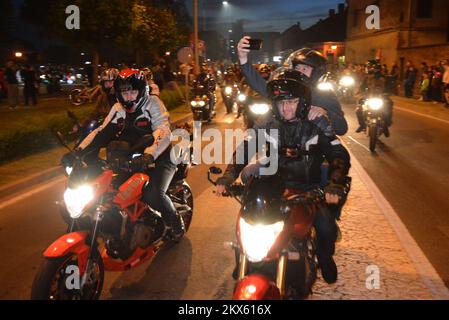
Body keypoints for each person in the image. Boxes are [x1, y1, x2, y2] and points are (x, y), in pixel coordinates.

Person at [215, 69, 351, 284]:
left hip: (309, 187)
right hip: (274, 185)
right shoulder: (267, 121)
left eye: (292, 102)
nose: (286, 108)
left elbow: (338, 153)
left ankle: (325, 257)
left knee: (326, 227)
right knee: (248, 217)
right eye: (281, 103)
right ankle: (245, 258)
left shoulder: (316, 121)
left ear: (302, 101)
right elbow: (246, 149)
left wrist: (334, 183)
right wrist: (228, 177)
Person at [62, 69, 185, 239]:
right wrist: (78, 152)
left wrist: (148, 155)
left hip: (160, 156)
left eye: (133, 91)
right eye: (125, 92)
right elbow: (101, 132)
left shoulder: (153, 104)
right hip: (130, 158)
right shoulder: (118, 109)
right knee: (108, 194)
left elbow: (162, 131)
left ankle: (175, 222)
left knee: (153, 194)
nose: (129, 97)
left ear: (141, 91)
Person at [237, 36, 348, 136]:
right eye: (297, 68)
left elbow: (342, 129)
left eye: (305, 69)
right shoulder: (287, 89)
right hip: (283, 146)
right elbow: (261, 86)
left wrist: (326, 113)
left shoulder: (323, 94)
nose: (299, 72)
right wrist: (243, 59)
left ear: (316, 73)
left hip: (311, 150)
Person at [355, 60, 393, 137]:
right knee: (359, 109)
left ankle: (386, 124)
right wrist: (359, 92)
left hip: (381, 97)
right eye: (371, 68)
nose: (373, 70)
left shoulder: (385, 78)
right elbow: (361, 87)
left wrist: (388, 93)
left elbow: (390, 87)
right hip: (369, 97)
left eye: (374, 68)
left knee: (389, 105)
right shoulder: (366, 78)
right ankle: (362, 125)